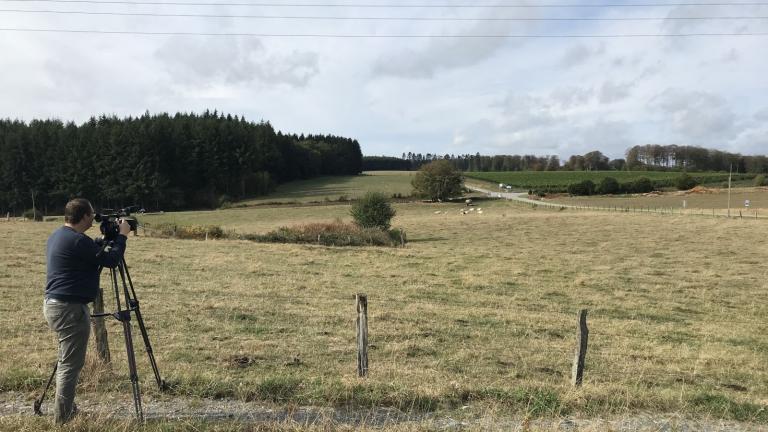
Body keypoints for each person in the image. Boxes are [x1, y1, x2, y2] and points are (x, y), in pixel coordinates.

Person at [43, 198, 130, 424]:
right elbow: (111, 260)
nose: (94, 217)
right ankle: (63, 417)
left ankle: (66, 409)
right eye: (92, 214)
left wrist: (101, 241)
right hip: (69, 309)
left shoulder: (59, 235)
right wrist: (122, 236)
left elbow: (87, 253)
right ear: (83, 216)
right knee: (70, 365)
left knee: (67, 361)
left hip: (56, 306)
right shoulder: (77, 241)